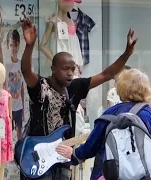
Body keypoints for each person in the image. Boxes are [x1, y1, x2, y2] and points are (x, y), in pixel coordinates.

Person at [19, 18, 137, 180]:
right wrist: (30, 45)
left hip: (62, 160)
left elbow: (106, 74)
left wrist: (126, 54)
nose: (70, 73)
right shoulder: (41, 86)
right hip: (37, 158)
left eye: (72, 69)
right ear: (53, 69)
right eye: (65, 69)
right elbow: (26, 71)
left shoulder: (75, 87)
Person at [56, 69, 151, 180]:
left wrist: (74, 155)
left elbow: (90, 148)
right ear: (146, 89)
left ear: (121, 88)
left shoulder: (109, 114)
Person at [5, 29, 25, 140]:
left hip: (18, 106)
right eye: (11, 45)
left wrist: (23, 107)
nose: (14, 48)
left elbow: (21, 87)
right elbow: (3, 86)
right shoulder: (6, 64)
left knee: (19, 133)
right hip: (8, 105)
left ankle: (18, 154)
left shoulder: (21, 64)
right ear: (8, 46)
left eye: (16, 45)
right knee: (8, 133)